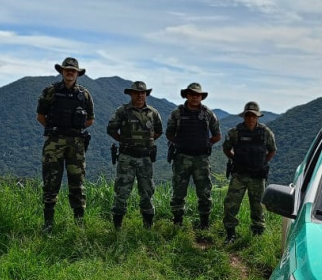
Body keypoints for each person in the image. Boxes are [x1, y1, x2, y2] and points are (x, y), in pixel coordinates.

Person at [36, 57, 94, 232]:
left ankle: (79, 223)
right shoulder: (51, 92)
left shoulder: (84, 94)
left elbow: (90, 119)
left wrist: (73, 129)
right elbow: (40, 116)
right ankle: (48, 223)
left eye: (73, 70)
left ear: (77, 73)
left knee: (77, 183)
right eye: (67, 69)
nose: (70, 72)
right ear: (61, 71)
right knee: (51, 182)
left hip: (76, 144)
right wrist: (56, 130)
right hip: (53, 143)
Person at [107, 81, 163, 229]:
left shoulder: (153, 113)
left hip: (145, 158)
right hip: (126, 157)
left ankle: (148, 226)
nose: (139, 95)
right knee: (122, 191)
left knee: (147, 191)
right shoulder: (122, 111)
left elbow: (158, 131)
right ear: (131, 94)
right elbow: (111, 129)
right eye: (136, 93)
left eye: (142, 92)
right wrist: (124, 141)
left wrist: (146, 143)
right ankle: (117, 228)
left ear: (146, 94)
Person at [165, 83, 221, 229]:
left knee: (204, 192)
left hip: (201, 159)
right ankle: (177, 222)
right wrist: (182, 143)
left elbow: (217, 135)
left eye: (198, 95)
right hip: (181, 158)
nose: (195, 97)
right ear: (187, 95)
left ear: (201, 97)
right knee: (178, 192)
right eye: (192, 94)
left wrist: (204, 144)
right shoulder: (177, 113)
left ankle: (204, 224)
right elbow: (169, 134)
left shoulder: (208, 114)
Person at [222, 101, 277, 242]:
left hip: (257, 176)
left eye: (254, 116)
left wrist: (262, 162)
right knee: (231, 204)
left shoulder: (265, 133)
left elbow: (272, 150)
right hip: (239, 174)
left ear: (258, 117)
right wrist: (236, 159)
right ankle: (230, 233)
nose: (251, 118)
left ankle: (257, 234)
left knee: (258, 206)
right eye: (248, 115)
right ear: (244, 116)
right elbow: (226, 148)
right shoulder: (235, 132)